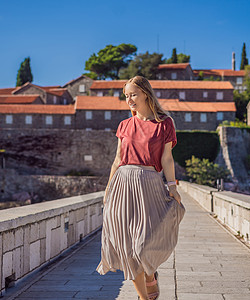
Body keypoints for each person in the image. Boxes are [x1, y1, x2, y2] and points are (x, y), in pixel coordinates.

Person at [96, 76, 185, 300]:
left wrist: (172, 186)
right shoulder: (124, 125)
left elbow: (166, 159)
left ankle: (150, 273)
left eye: (133, 94)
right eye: (126, 96)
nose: (129, 100)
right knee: (128, 247)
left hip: (150, 185)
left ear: (146, 93)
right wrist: (108, 189)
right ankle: (144, 298)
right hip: (122, 186)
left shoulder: (165, 123)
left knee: (143, 245)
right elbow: (117, 159)